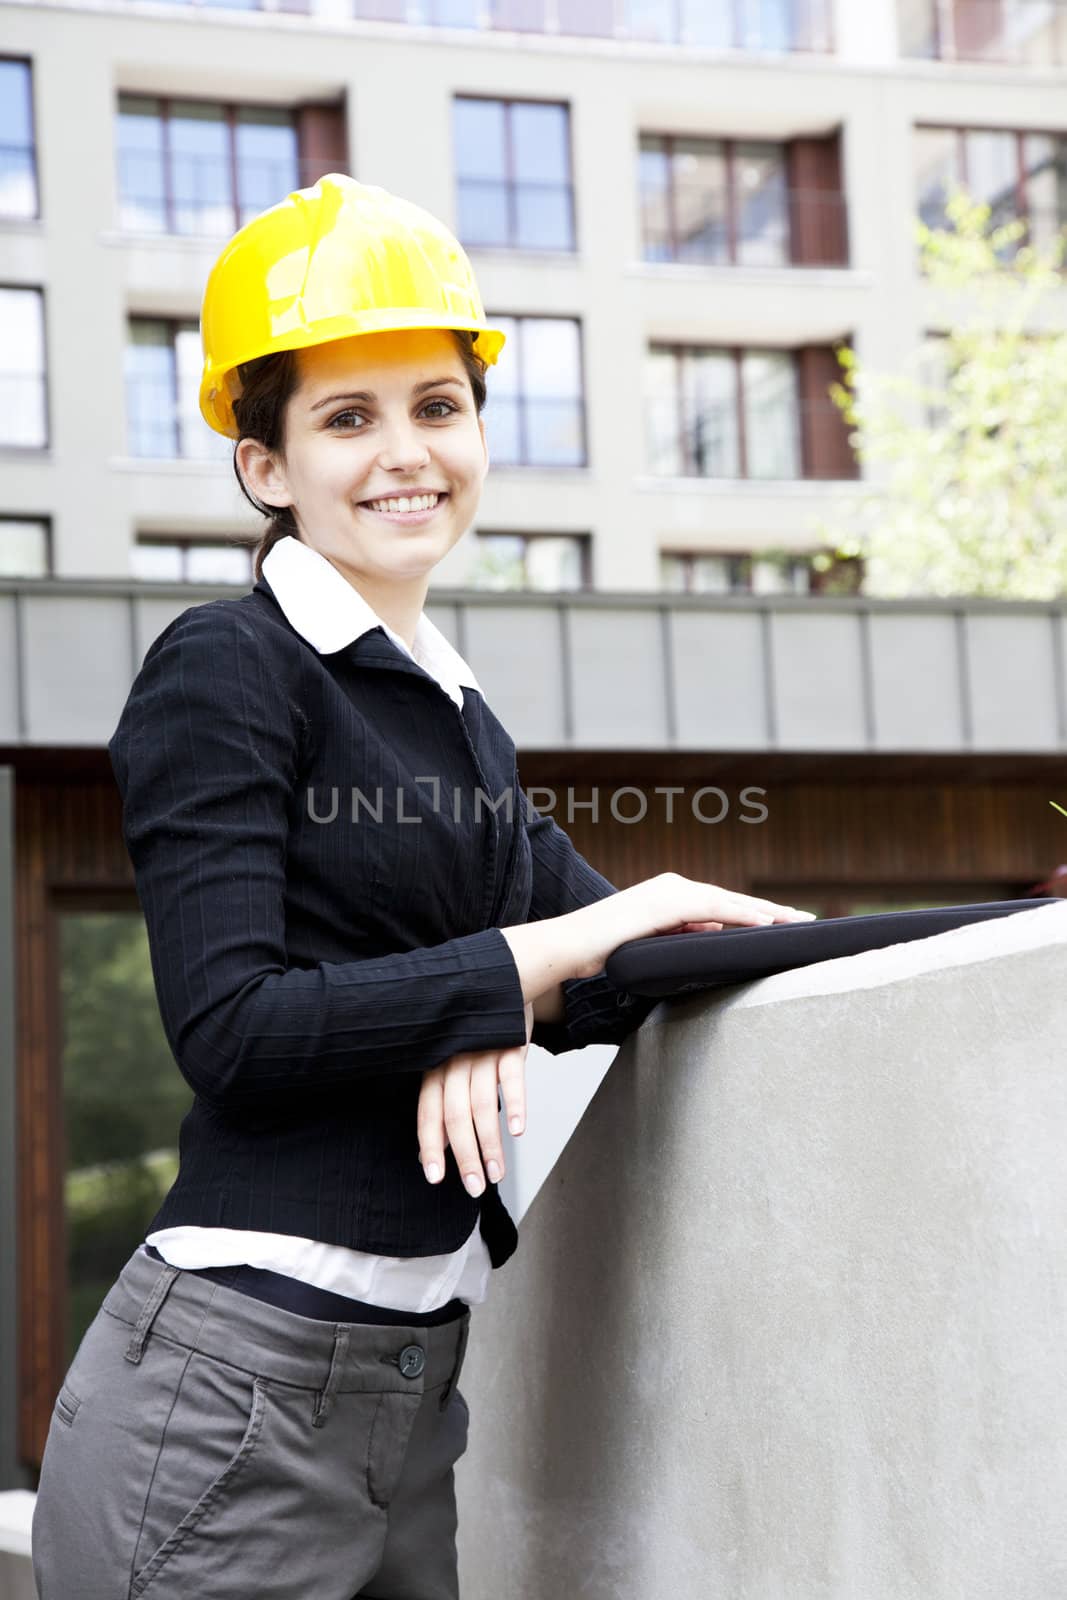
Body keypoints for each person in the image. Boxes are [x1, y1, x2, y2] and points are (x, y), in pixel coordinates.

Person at [30, 175, 814, 1599]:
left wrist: (498, 1001)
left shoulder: (452, 714)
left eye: (437, 406)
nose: (407, 452)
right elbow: (235, 1029)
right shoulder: (228, 667)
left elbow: (611, 971)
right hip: (236, 1385)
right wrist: (513, 972)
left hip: (410, 1384)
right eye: (347, 417)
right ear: (264, 466)